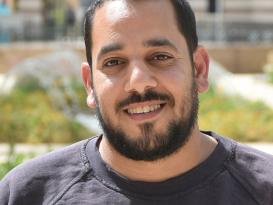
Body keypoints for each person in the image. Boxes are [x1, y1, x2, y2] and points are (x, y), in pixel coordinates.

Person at [0, 0, 273, 204]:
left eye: (160, 56)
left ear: (199, 69)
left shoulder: (264, 188)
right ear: (89, 84)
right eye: (114, 62)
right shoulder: (27, 195)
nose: (139, 82)